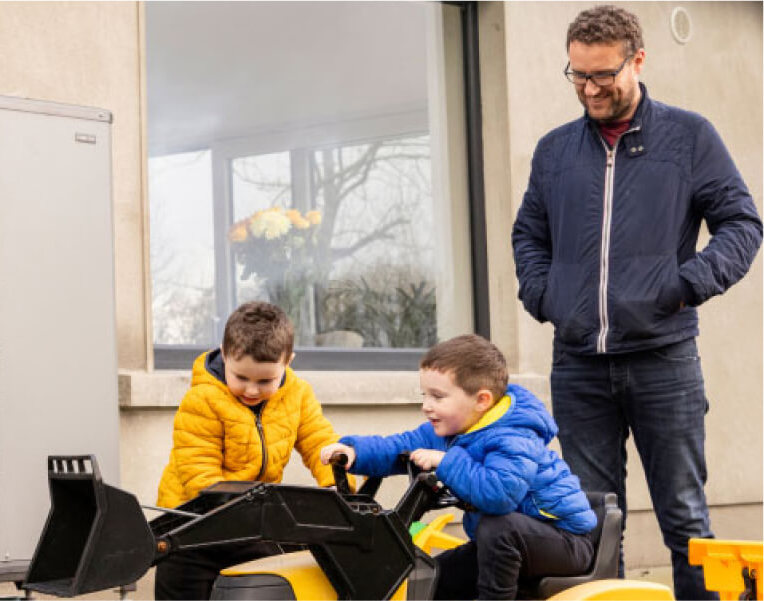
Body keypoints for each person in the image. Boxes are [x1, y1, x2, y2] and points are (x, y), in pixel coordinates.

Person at [511, 5, 762, 599]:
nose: (591, 89)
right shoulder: (554, 151)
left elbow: (742, 224)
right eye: (577, 76)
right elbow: (529, 235)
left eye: (603, 75)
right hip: (578, 362)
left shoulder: (689, 137)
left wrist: (685, 286)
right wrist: (546, 296)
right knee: (593, 524)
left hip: (664, 359)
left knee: (685, 518)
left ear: (637, 60)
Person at [320, 334, 597, 601]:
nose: (426, 406)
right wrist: (355, 452)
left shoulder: (514, 435)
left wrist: (445, 462)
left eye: (438, 397)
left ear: (482, 400)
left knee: (498, 527)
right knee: (429, 581)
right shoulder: (450, 429)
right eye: (424, 395)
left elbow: (500, 495)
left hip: (564, 542)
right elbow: (401, 446)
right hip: (499, 547)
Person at [154, 300, 349, 600]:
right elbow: (198, 472)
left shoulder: (297, 394)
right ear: (225, 353)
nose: (252, 390)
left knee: (268, 582)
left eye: (265, 380)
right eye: (241, 378)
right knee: (181, 590)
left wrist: (337, 483)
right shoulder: (203, 399)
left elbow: (318, 441)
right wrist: (246, 510)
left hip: (249, 524)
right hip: (191, 526)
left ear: (288, 361)